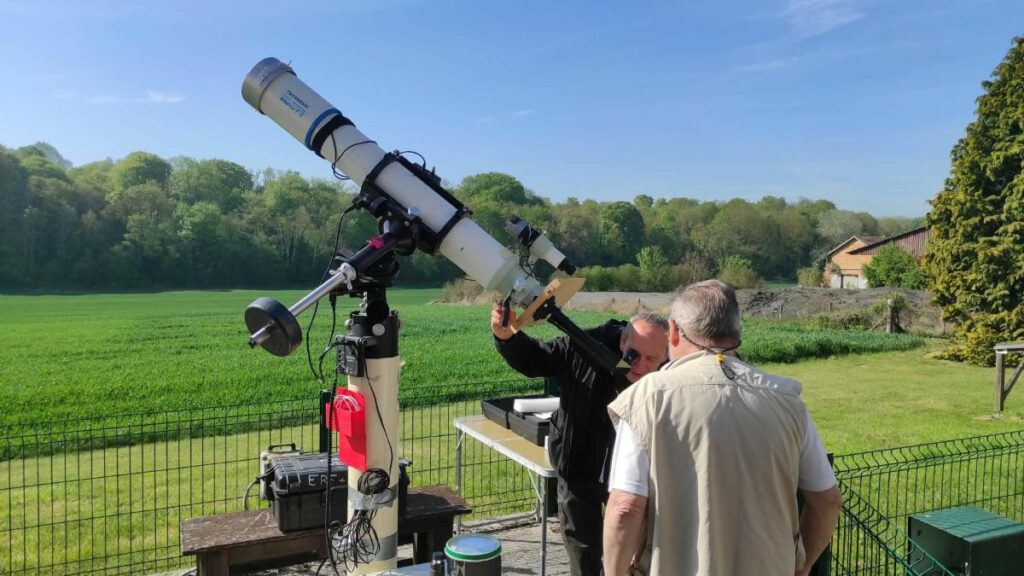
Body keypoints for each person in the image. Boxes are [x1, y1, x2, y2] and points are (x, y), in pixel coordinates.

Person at [602, 280, 843, 576]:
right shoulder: (788, 400)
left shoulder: (647, 398)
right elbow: (827, 501)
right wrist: (801, 566)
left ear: (674, 332)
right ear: (735, 332)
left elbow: (626, 507)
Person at [491, 305, 669, 576]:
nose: (640, 366)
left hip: (632, 478)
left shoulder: (672, 373)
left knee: (633, 558)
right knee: (583, 556)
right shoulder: (585, 347)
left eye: (651, 359)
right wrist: (507, 338)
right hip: (578, 467)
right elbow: (537, 359)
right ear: (622, 340)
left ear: (667, 355)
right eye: (633, 356)